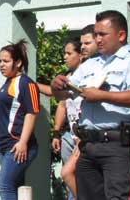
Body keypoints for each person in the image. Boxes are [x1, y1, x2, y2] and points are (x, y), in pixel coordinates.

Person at [51, 10, 130, 200]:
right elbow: (64, 94)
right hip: (88, 145)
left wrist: (102, 96)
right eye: (96, 34)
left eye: (102, 34)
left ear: (121, 35)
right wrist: (56, 85)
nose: (97, 39)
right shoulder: (91, 64)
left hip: (116, 146)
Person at [0, 39, 40, 200]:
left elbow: (32, 112)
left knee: (4, 185)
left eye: (6, 61)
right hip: (5, 146)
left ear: (18, 62)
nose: (1, 65)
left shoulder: (26, 84)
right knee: (16, 188)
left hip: (17, 146)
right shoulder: (8, 83)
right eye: (0, 61)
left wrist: (23, 142)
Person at [50, 39, 82, 200]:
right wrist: (56, 133)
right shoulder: (67, 78)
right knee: (69, 181)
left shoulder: (88, 77)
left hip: (83, 137)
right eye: (65, 53)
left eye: (69, 53)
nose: (65, 57)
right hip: (69, 136)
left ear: (81, 55)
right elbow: (62, 106)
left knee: (79, 177)